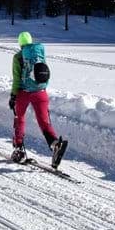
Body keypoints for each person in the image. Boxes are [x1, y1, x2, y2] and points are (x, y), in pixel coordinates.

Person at [9, 31, 68, 167]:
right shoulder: (39, 53)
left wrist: (13, 96)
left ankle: (19, 149)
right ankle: (55, 144)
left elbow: (17, 78)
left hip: (24, 92)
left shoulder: (18, 57)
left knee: (20, 118)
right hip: (41, 92)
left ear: (20, 43)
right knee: (43, 121)